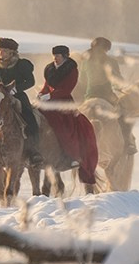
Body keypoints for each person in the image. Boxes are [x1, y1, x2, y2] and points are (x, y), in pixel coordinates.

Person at [81, 35, 138, 191]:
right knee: (124, 117)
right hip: (106, 97)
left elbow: (81, 81)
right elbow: (116, 80)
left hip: (89, 97)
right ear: (106, 49)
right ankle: (128, 142)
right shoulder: (110, 62)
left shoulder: (85, 61)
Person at [41, 44, 100, 190]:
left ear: (65, 56)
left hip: (63, 102)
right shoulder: (49, 69)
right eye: (54, 55)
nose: (55, 58)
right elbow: (46, 85)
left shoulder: (71, 70)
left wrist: (50, 95)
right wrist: (42, 94)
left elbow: (67, 89)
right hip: (48, 101)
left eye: (58, 56)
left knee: (64, 128)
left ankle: (71, 155)